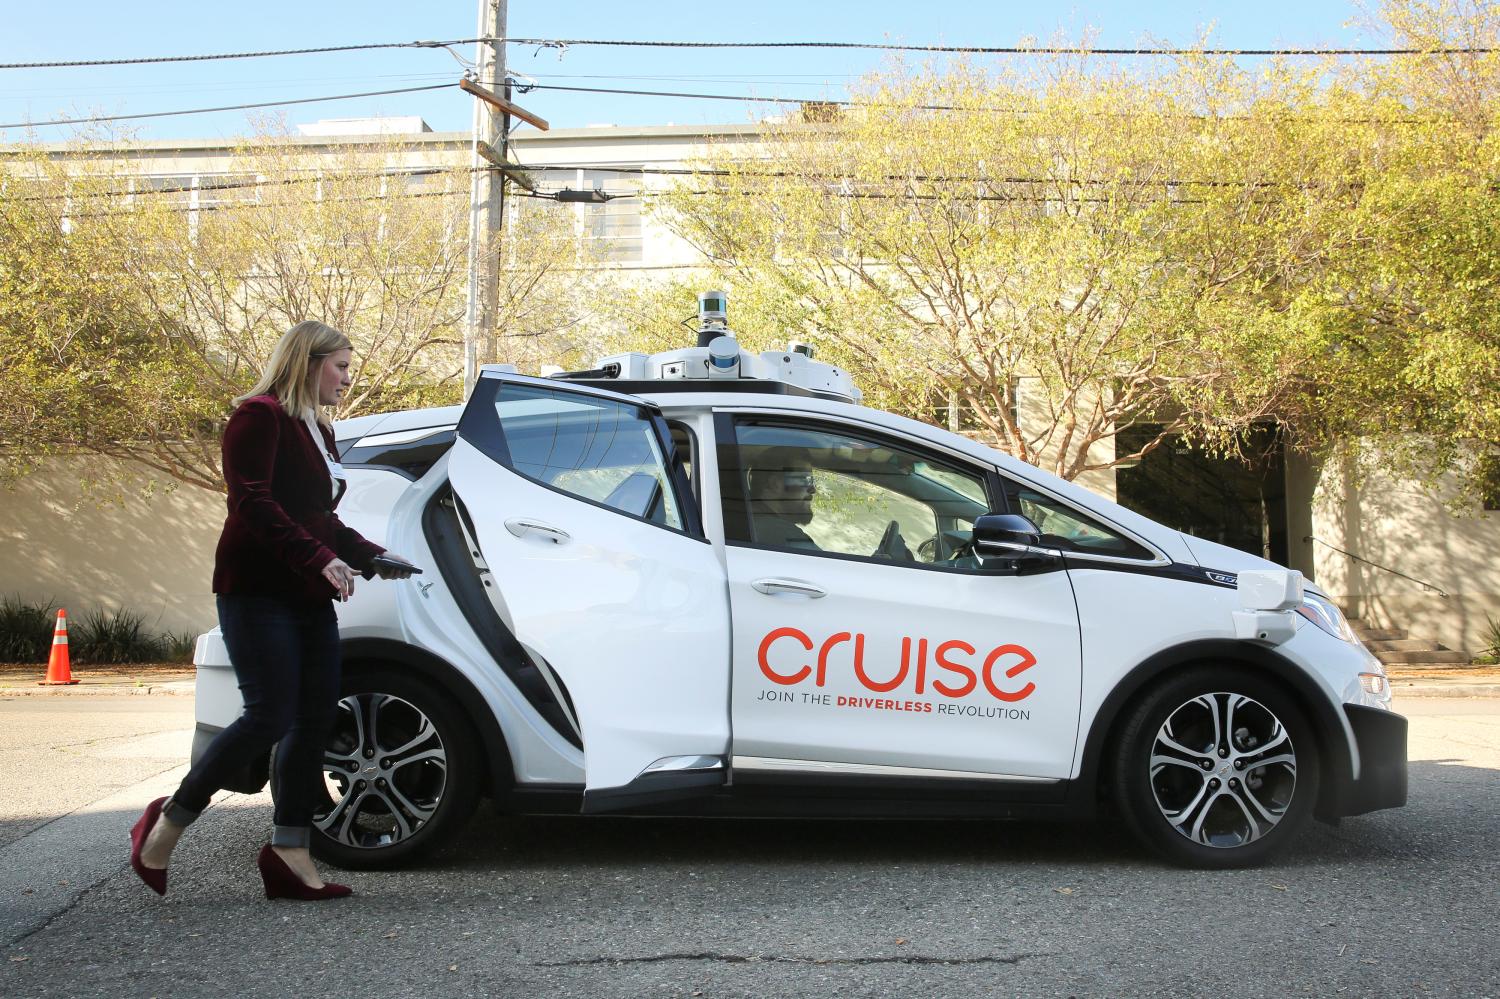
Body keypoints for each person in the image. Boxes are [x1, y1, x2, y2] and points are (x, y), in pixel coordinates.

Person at [128, 320, 415, 902]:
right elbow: (251, 501)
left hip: (306, 594)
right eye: (340, 366)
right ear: (307, 362)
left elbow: (320, 517)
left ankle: (289, 851)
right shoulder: (257, 416)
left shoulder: (318, 432)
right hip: (256, 590)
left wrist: (372, 555)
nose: (347, 377)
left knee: (312, 716)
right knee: (268, 716)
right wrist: (318, 559)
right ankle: (168, 821)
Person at [747, 447, 822, 552]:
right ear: (775, 484)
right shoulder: (785, 536)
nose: (813, 489)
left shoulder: (749, 522)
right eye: (805, 479)